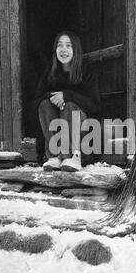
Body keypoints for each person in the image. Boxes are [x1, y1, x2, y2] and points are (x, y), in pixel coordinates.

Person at [35, 31, 101, 172]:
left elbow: (95, 106)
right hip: (55, 136)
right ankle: (54, 156)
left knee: (70, 106)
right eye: (60, 45)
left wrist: (68, 95)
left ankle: (72, 156)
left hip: (83, 140)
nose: (63, 50)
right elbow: (34, 104)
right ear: (55, 50)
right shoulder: (50, 72)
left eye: (68, 46)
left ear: (75, 50)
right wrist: (51, 97)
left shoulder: (87, 70)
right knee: (45, 104)